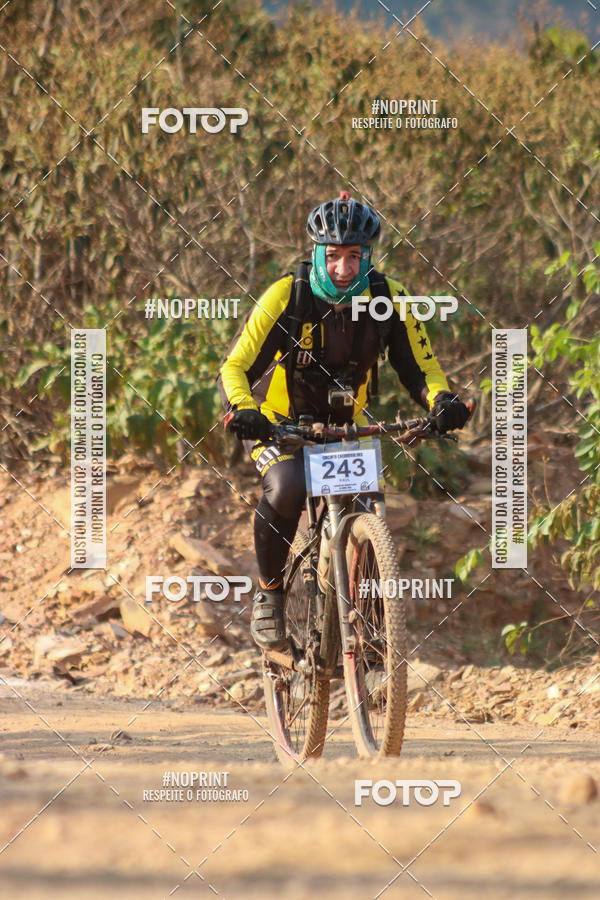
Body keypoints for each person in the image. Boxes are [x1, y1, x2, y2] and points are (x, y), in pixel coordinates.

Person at [217, 191, 469, 650]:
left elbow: (419, 366)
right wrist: (244, 409)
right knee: (288, 486)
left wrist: (441, 399)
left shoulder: (387, 297)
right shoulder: (286, 296)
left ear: (368, 256)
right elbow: (235, 367)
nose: (343, 269)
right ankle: (270, 598)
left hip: (346, 428)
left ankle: (370, 631)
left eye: (355, 256)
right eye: (333, 256)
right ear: (316, 253)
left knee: (365, 511)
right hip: (281, 425)